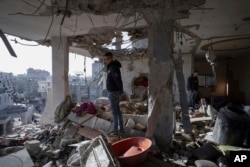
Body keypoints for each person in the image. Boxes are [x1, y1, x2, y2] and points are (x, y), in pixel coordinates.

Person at [104, 52, 124, 135]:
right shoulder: (112, 67)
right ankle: (121, 129)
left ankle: (115, 130)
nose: (105, 61)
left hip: (113, 92)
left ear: (109, 58)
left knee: (114, 111)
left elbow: (117, 79)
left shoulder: (113, 67)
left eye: (105, 59)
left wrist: (120, 90)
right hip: (114, 91)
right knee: (117, 111)